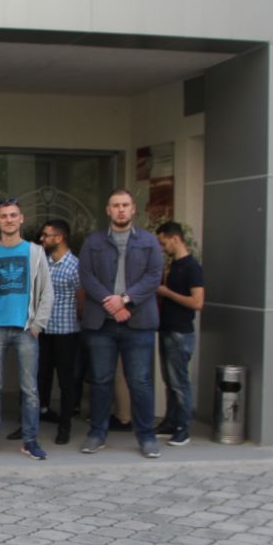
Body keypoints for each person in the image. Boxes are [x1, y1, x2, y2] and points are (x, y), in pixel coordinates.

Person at [79, 188, 164, 459]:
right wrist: (110, 301)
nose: (121, 210)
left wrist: (125, 299)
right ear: (108, 210)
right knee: (101, 380)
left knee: (139, 382)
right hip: (102, 323)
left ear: (133, 208)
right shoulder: (92, 242)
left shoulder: (150, 242)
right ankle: (97, 433)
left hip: (138, 322)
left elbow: (154, 276)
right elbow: (86, 275)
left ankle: (146, 437)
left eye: (125, 205)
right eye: (116, 205)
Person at [0, 198, 54, 460]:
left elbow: (47, 293)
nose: (8, 220)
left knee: (30, 389)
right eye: (3, 216)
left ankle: (30, 440)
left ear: (21, 219)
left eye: (13, 215)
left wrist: (37, 325)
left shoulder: (35, 252)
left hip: (26, 329)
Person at [155, 221, 204, 446]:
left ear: (175, 238)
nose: (162, 247)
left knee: (179, 382)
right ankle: (170, 421)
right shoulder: (173, 265)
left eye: (163, 242)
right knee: (169, 379)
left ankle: (183, 427)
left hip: (180, 332)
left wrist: (167, 292)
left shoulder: (192, 267)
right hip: (167, 328)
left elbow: (197, 302)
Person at [38, 219, 83, 446]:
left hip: (66, 331)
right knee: (41, 376)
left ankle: (65, 426)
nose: (42, 239)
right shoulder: (43, 262)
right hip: (44, 329)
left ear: (59, 238)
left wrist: (79, 320)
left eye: (46, 235)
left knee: (66, 380)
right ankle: (37, 417)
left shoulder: (74, 265)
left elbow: (81, 298)